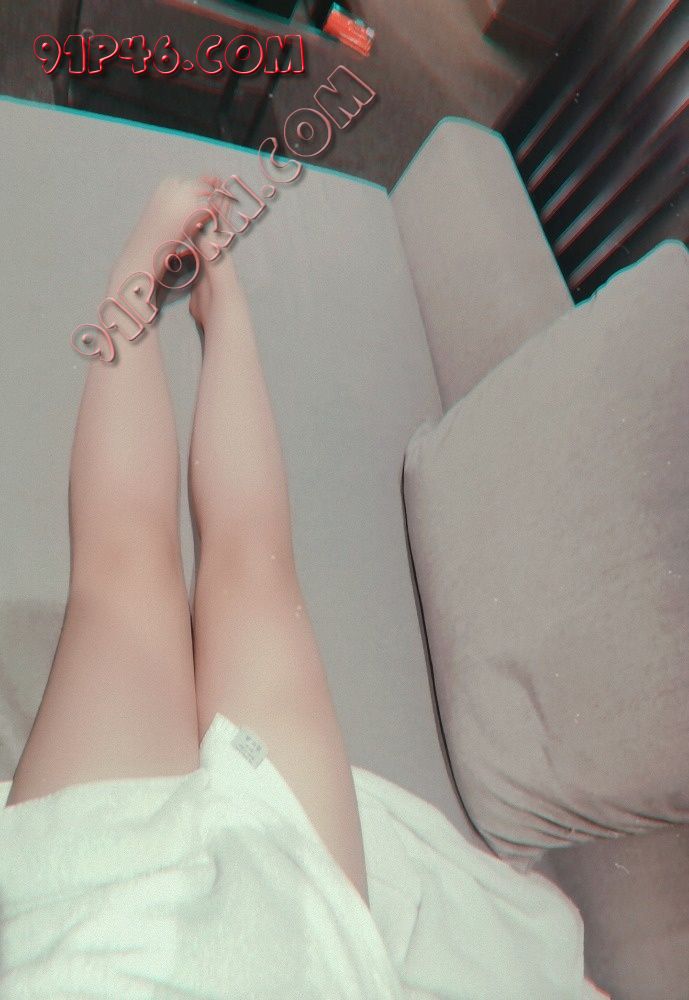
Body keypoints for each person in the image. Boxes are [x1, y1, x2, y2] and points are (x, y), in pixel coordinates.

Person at [1, 177, 397, 997]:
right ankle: (221, 307)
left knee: (130, 564)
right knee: (245, 565)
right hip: (294, 946)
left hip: (100, 938)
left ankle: (145, 281)